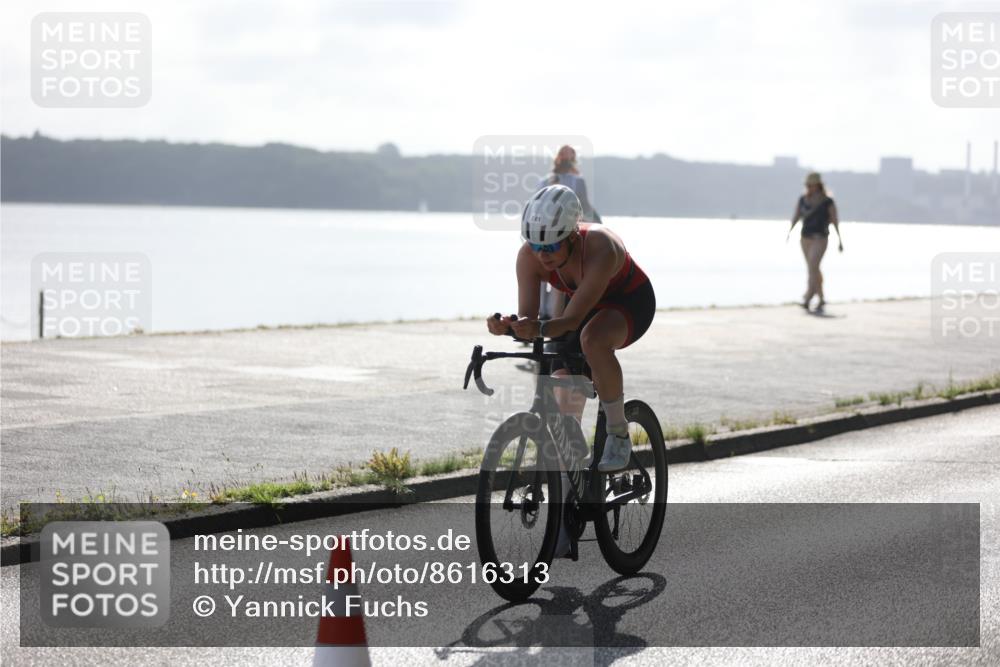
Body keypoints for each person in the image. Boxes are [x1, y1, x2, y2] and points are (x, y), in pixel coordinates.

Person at [486, 184, 656, 472]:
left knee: (593, 340)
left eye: (551, 246)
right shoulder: (528, 257)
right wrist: (508, 325)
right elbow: (530, 318)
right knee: (563, 384)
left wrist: (537, 327)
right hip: (580, 306)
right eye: (536, 245)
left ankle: (618, 433)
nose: (542, 255)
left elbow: (571, 322)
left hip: (629, 302)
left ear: (573, 236)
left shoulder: (601, 247)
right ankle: (573, 483)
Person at [536, 145, 600, 321]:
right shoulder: (577, 181)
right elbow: (584, 208)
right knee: (559, 276)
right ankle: (553, 318)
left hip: (543, 234)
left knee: (544, 277)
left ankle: (541, 317)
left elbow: (535, 209)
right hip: (564, 234)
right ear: (573, 161)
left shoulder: (543, 181)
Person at [787, 172, 844, 314]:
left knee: (813, 266)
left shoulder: (827, 201)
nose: (809, 187)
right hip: (805, 238)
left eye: (811, 185)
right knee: (813, 269)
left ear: (818, 185)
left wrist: (840, 240)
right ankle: (821, 298)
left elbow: (835, 220)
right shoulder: (803, 199)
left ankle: (808, 297)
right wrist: (789, 232)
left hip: (820, 238)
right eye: (807, 185)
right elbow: (796, 216)